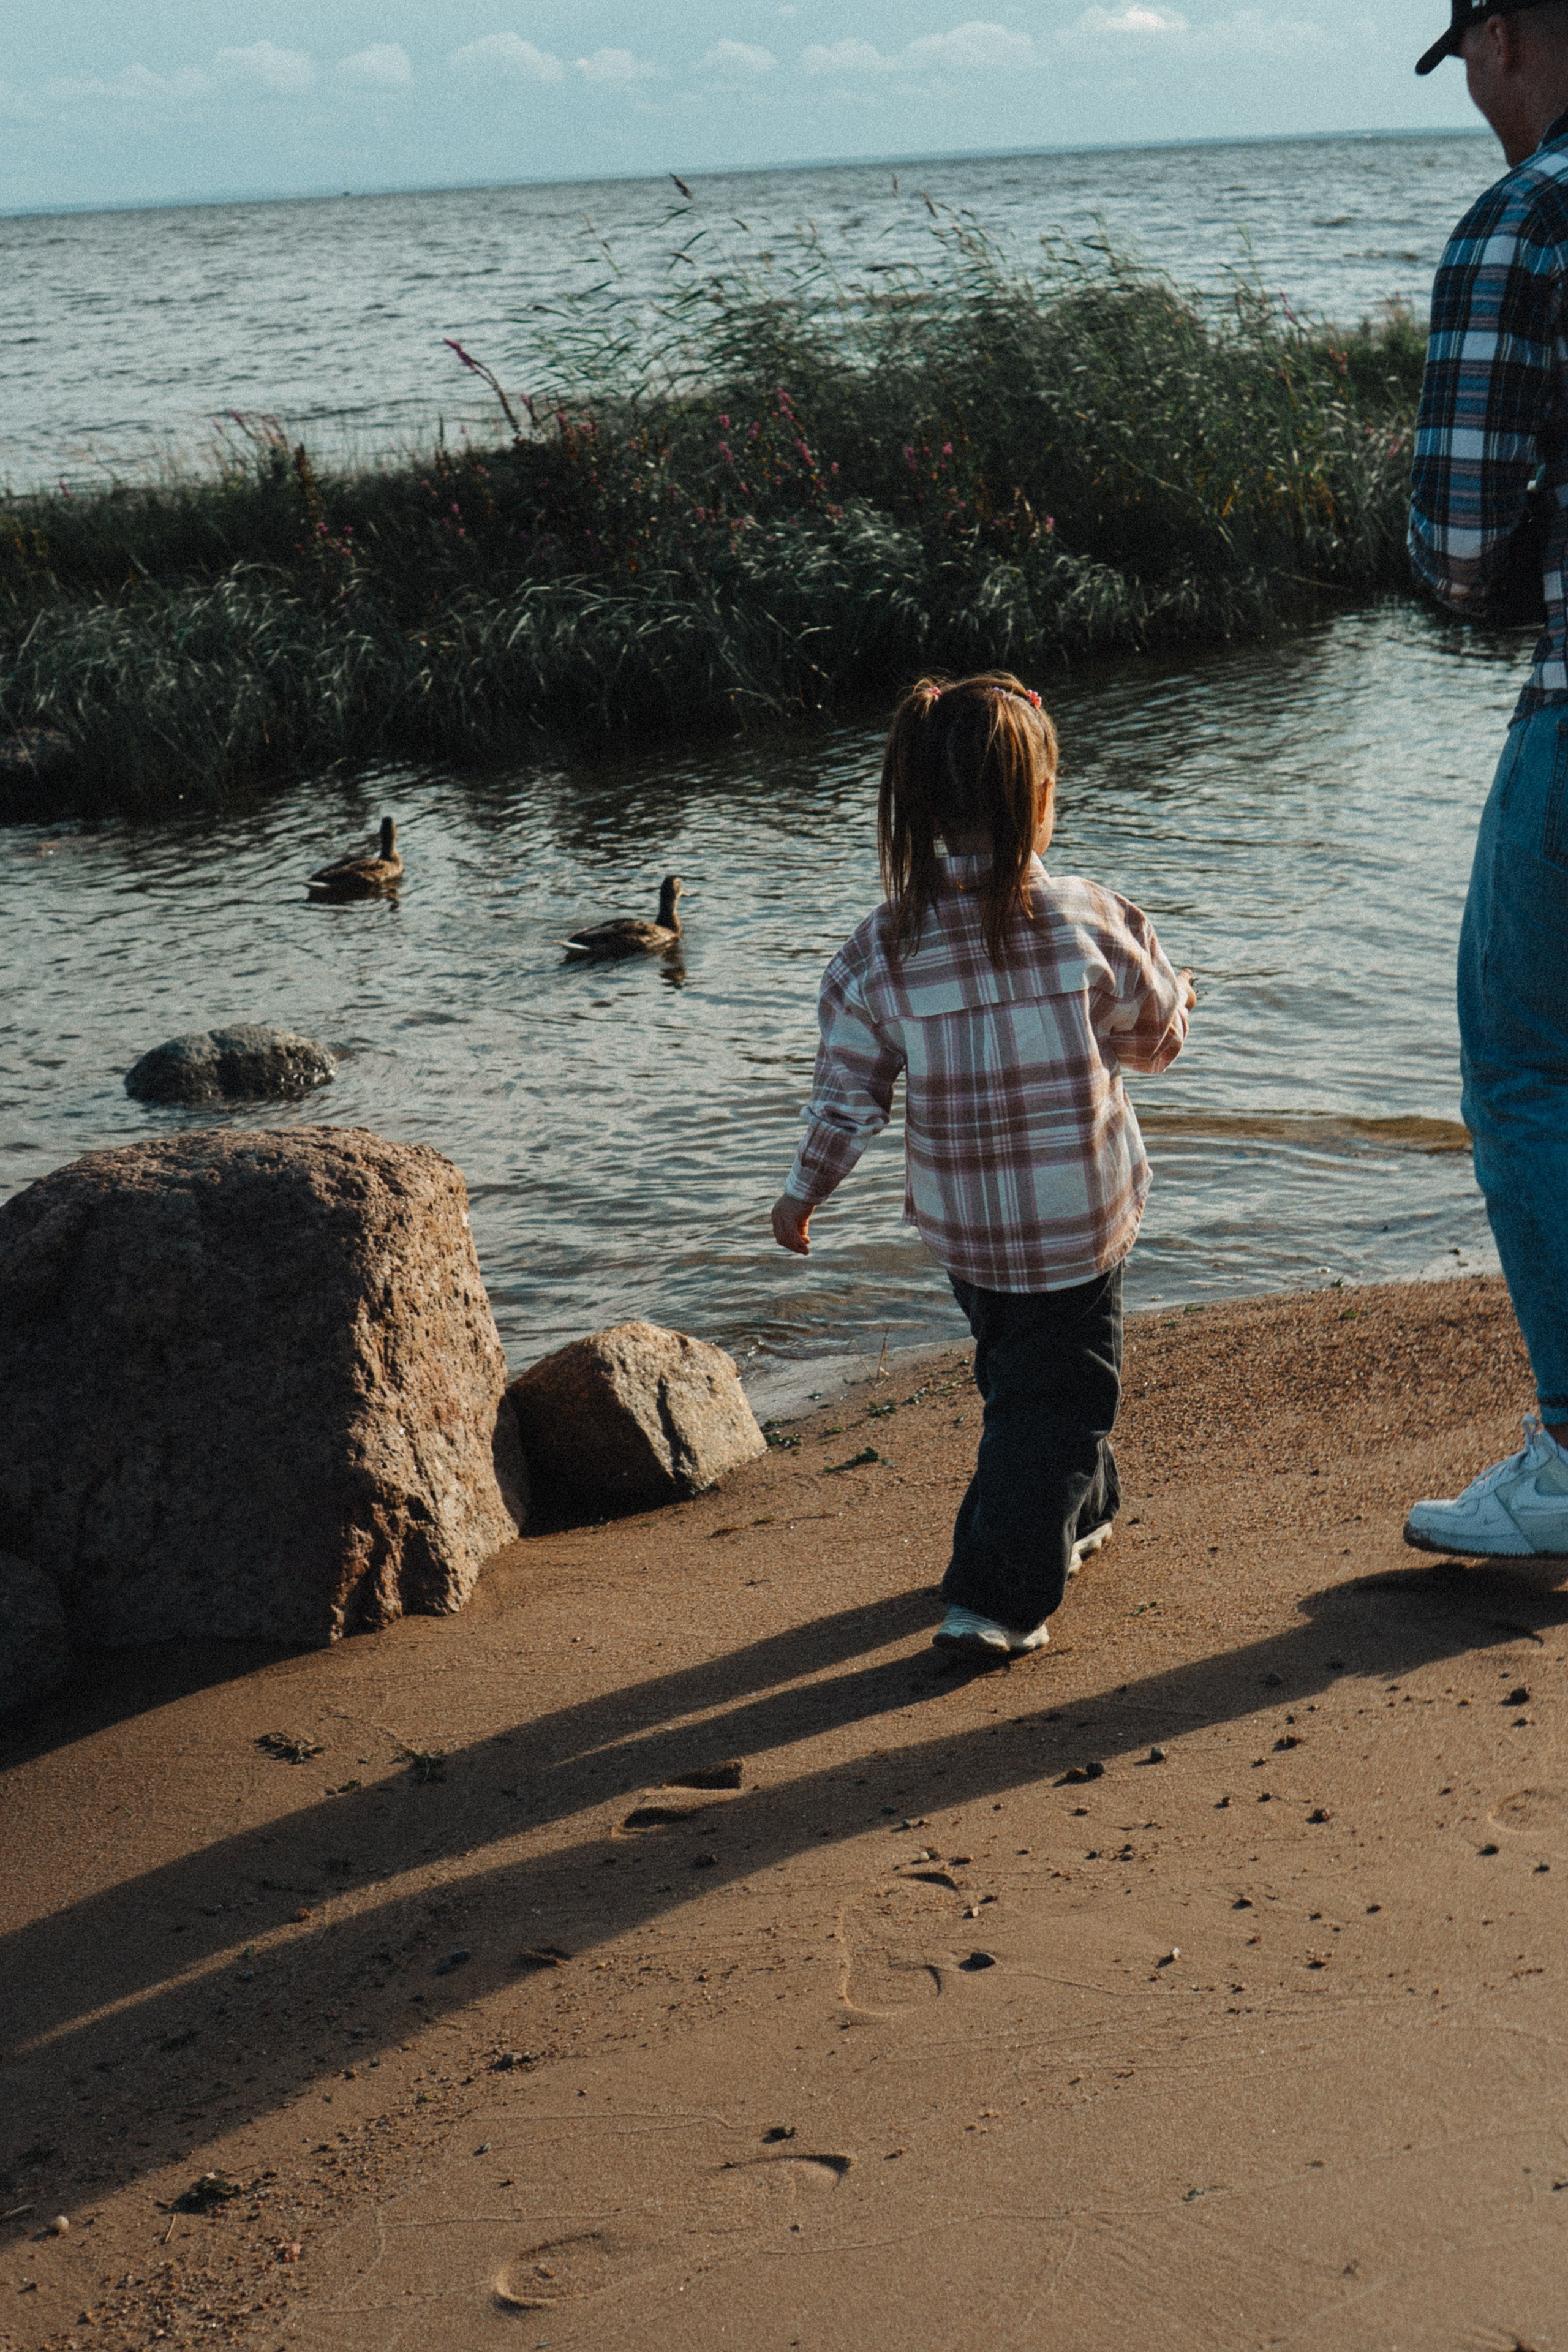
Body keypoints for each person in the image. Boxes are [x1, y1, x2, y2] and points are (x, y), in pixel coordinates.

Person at [769, 671, 1194, 1658]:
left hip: (967, 1235)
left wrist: (804, 1192)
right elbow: (1152, 1041)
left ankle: (1083, 1514)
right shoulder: (1088, 917)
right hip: (1079, 1220)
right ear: (1039, 802)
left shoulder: (882, 948)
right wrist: (1177, 1003)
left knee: (1023, 1379)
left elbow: (847, 1093)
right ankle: (996, 1599)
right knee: (1065, 1397)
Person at [1406, 0, 1568, 1557]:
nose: (1472, 94)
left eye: (1461, 58)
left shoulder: (1527, 215)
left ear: (1506, 35)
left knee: (1522, 1068)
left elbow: (1455, 554)